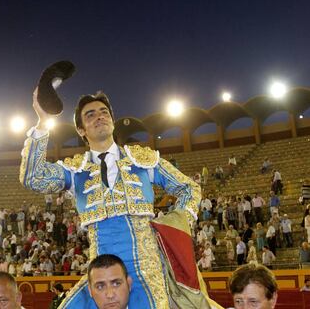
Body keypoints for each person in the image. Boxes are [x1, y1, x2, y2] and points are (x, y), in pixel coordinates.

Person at [20, 90, 217, 308]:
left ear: (113, 122)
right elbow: (34, 178)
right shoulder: (75, 169)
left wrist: (175, 224)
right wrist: (43, 121)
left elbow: (188, 187)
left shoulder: (142, 159)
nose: (99, 117)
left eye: (104, 112)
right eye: (90, 115)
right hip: (100, 271)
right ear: (81, 130)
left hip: (146, 267)